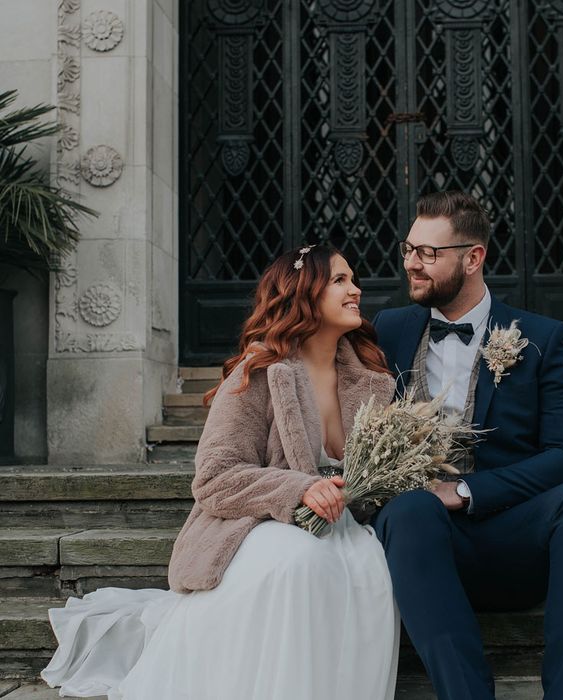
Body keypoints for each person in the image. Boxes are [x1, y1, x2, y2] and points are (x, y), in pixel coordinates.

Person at [42, 245, 400, 700]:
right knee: (299, 562)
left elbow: (379, 477)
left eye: (353, 279)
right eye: (340, 280)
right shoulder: (260, 371)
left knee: (372, 573)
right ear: (303, 292)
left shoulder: (371, 380)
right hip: (264, 522)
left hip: (343, 525)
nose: (356, 289)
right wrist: (299, 488)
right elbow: (214, 476)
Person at [372, 191, 563, 700]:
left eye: (428, 254)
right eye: (409, 249)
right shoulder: (388, 330)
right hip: (424, 548)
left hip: (515, 535)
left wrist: (465, 491)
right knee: (410, 511)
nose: (411, 265)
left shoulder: (540, 336)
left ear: (474, 257)